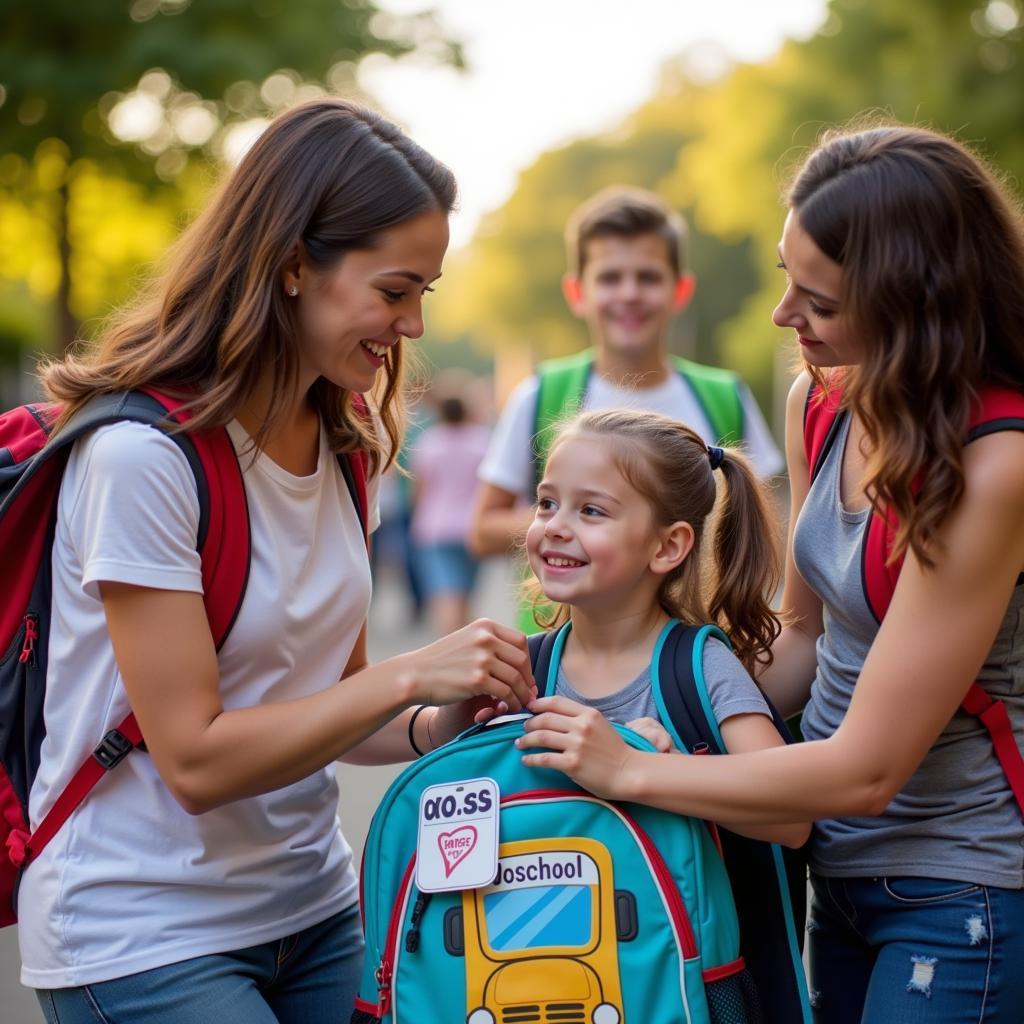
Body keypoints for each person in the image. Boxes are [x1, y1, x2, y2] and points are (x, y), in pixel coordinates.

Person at [19, 98, 534, 1024]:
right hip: (143, 931)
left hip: (316, 909)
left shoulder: (346, 445)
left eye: (426, 293)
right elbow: (196, 759)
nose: (413, 324)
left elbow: (336, 701)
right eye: (394, 290)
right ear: (294, 264)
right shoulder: (143, 457)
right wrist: (414, 672)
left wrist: (436, 718)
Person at [518, 123, 1024, 1022]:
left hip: (963, 884)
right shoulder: (823, 400)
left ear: (914, 301)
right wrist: (658, 685)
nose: (784, 315)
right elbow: (800, 636)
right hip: (841, 870)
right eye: (790, 278)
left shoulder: (997, 463)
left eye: (818, 299)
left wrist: (633, 770)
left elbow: (867, 770)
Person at [523, 406, 808, 851]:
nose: (556, 526)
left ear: (667, 545)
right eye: (547, 503)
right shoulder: (521, 672)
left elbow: (791, 819)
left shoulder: (701, 670)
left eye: (592, 510)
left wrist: (660, 768)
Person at [470, 185, 783, 572]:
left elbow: (766, 530)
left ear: (680, 290)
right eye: (610, 278)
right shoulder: (540, 394)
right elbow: (483, 529)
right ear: (577, 292)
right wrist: (594, 517)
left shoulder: (726, 397)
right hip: (564, 630)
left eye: (649, 277)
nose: (630, 293)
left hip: (701, 630)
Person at [409, 374, 492, 636]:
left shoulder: (429, 442)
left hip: (435, 526)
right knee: (465, 595)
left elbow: (420, 488)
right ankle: (468, 645)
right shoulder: (481, 440)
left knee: (446, 595)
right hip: (471, 525)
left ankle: (453, 648)